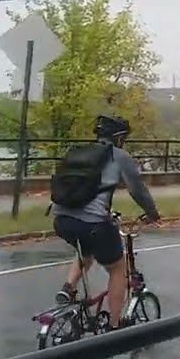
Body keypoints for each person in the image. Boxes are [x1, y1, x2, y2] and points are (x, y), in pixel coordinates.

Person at [49, 114, 161, 332]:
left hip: (62, 220)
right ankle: (115, 324)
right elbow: (137, 189)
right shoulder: (119, 156)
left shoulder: (78, 153)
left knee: (86, 252)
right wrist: (152, 213)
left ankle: (68, 288)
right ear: (119, 137)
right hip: (92, 224)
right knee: (118, 269)